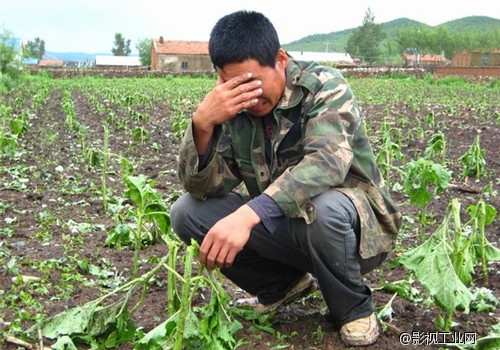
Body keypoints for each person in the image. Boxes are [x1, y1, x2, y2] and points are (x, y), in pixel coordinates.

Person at [170, 10, 402, 347]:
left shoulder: (325, 86)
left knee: (323, 207)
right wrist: (202, 126)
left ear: (280, 59)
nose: (248, 95)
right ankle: (281, 285)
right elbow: (205, 187)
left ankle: (353, 308)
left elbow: (325, 164)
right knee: (186, 213)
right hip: (288, 229)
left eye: (253, 81)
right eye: (232, 84)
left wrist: (247, 215)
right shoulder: (237, 109)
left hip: (354, 234)